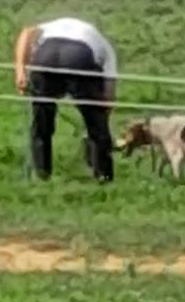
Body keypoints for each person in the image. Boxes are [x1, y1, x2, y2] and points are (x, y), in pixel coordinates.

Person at [13, 16, 118, 183]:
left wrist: (20, 72)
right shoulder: (106, 49)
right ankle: (103, 175)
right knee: (97, 125)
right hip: (79, 56)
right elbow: (108, 98)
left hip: (45, 56)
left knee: (42, 120)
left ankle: (42, 172)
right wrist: (101, 118)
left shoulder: (49, 26)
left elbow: (26, 33)